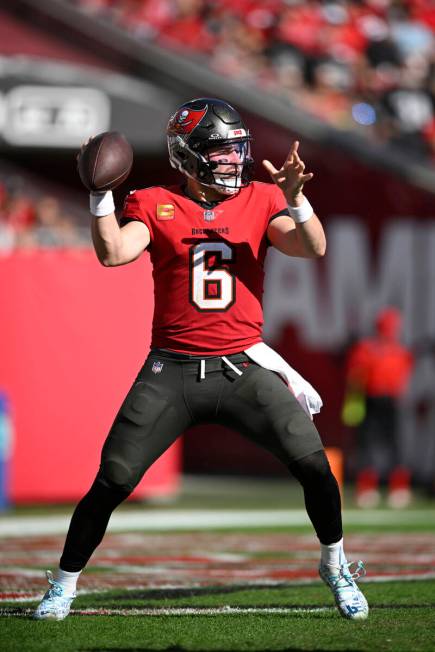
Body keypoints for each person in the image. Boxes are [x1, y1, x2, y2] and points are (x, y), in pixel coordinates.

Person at [33, 97, 368, 621]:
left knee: (316, 468)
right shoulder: (154, 202)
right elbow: (113, 252)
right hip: (174, 369)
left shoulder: (261, 199)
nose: (235, 160)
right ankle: (64, 582)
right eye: (222, 150)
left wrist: (297, 200)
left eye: (238, 149)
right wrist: (100, 196)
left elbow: (311, 247)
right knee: (114, 479)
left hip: (242, 366)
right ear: (189, 156)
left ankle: (336, 563)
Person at [343, 307, 414, 508]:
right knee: (366, 444)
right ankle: (367, 489)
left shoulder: (399, 351)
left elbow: (403, 377)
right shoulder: (367, 349)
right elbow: (355, 377)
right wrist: (353, 403)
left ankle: (399, 488)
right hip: (370, 400)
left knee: (395, 444)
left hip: (391, 401)